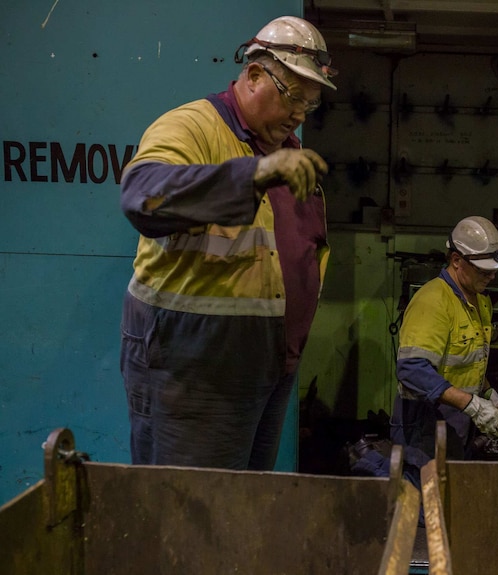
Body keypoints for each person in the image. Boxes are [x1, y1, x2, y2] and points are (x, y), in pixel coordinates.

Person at [119, 16, 337, 470]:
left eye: (310, 104)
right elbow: (142, 195)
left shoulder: (287, 149)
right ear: (255, 75)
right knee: (191, 512)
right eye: (294, 96)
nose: (299, 114)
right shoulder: (193, 127)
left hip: (267, 365)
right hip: (195, 367)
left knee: (242, 511)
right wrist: (251, 175)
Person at [390, 216, 498, 483]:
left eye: (493, 269)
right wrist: (474, 406)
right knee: (424, 508)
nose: (491, 276)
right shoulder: (433, 301)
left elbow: (468, 361)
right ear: (456, 260)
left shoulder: (480, 302)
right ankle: (371, 464)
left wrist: (487, 392)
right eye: (483, 270)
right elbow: (412, 369)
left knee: (449, 502)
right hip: (425, 423)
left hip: (458, 421)